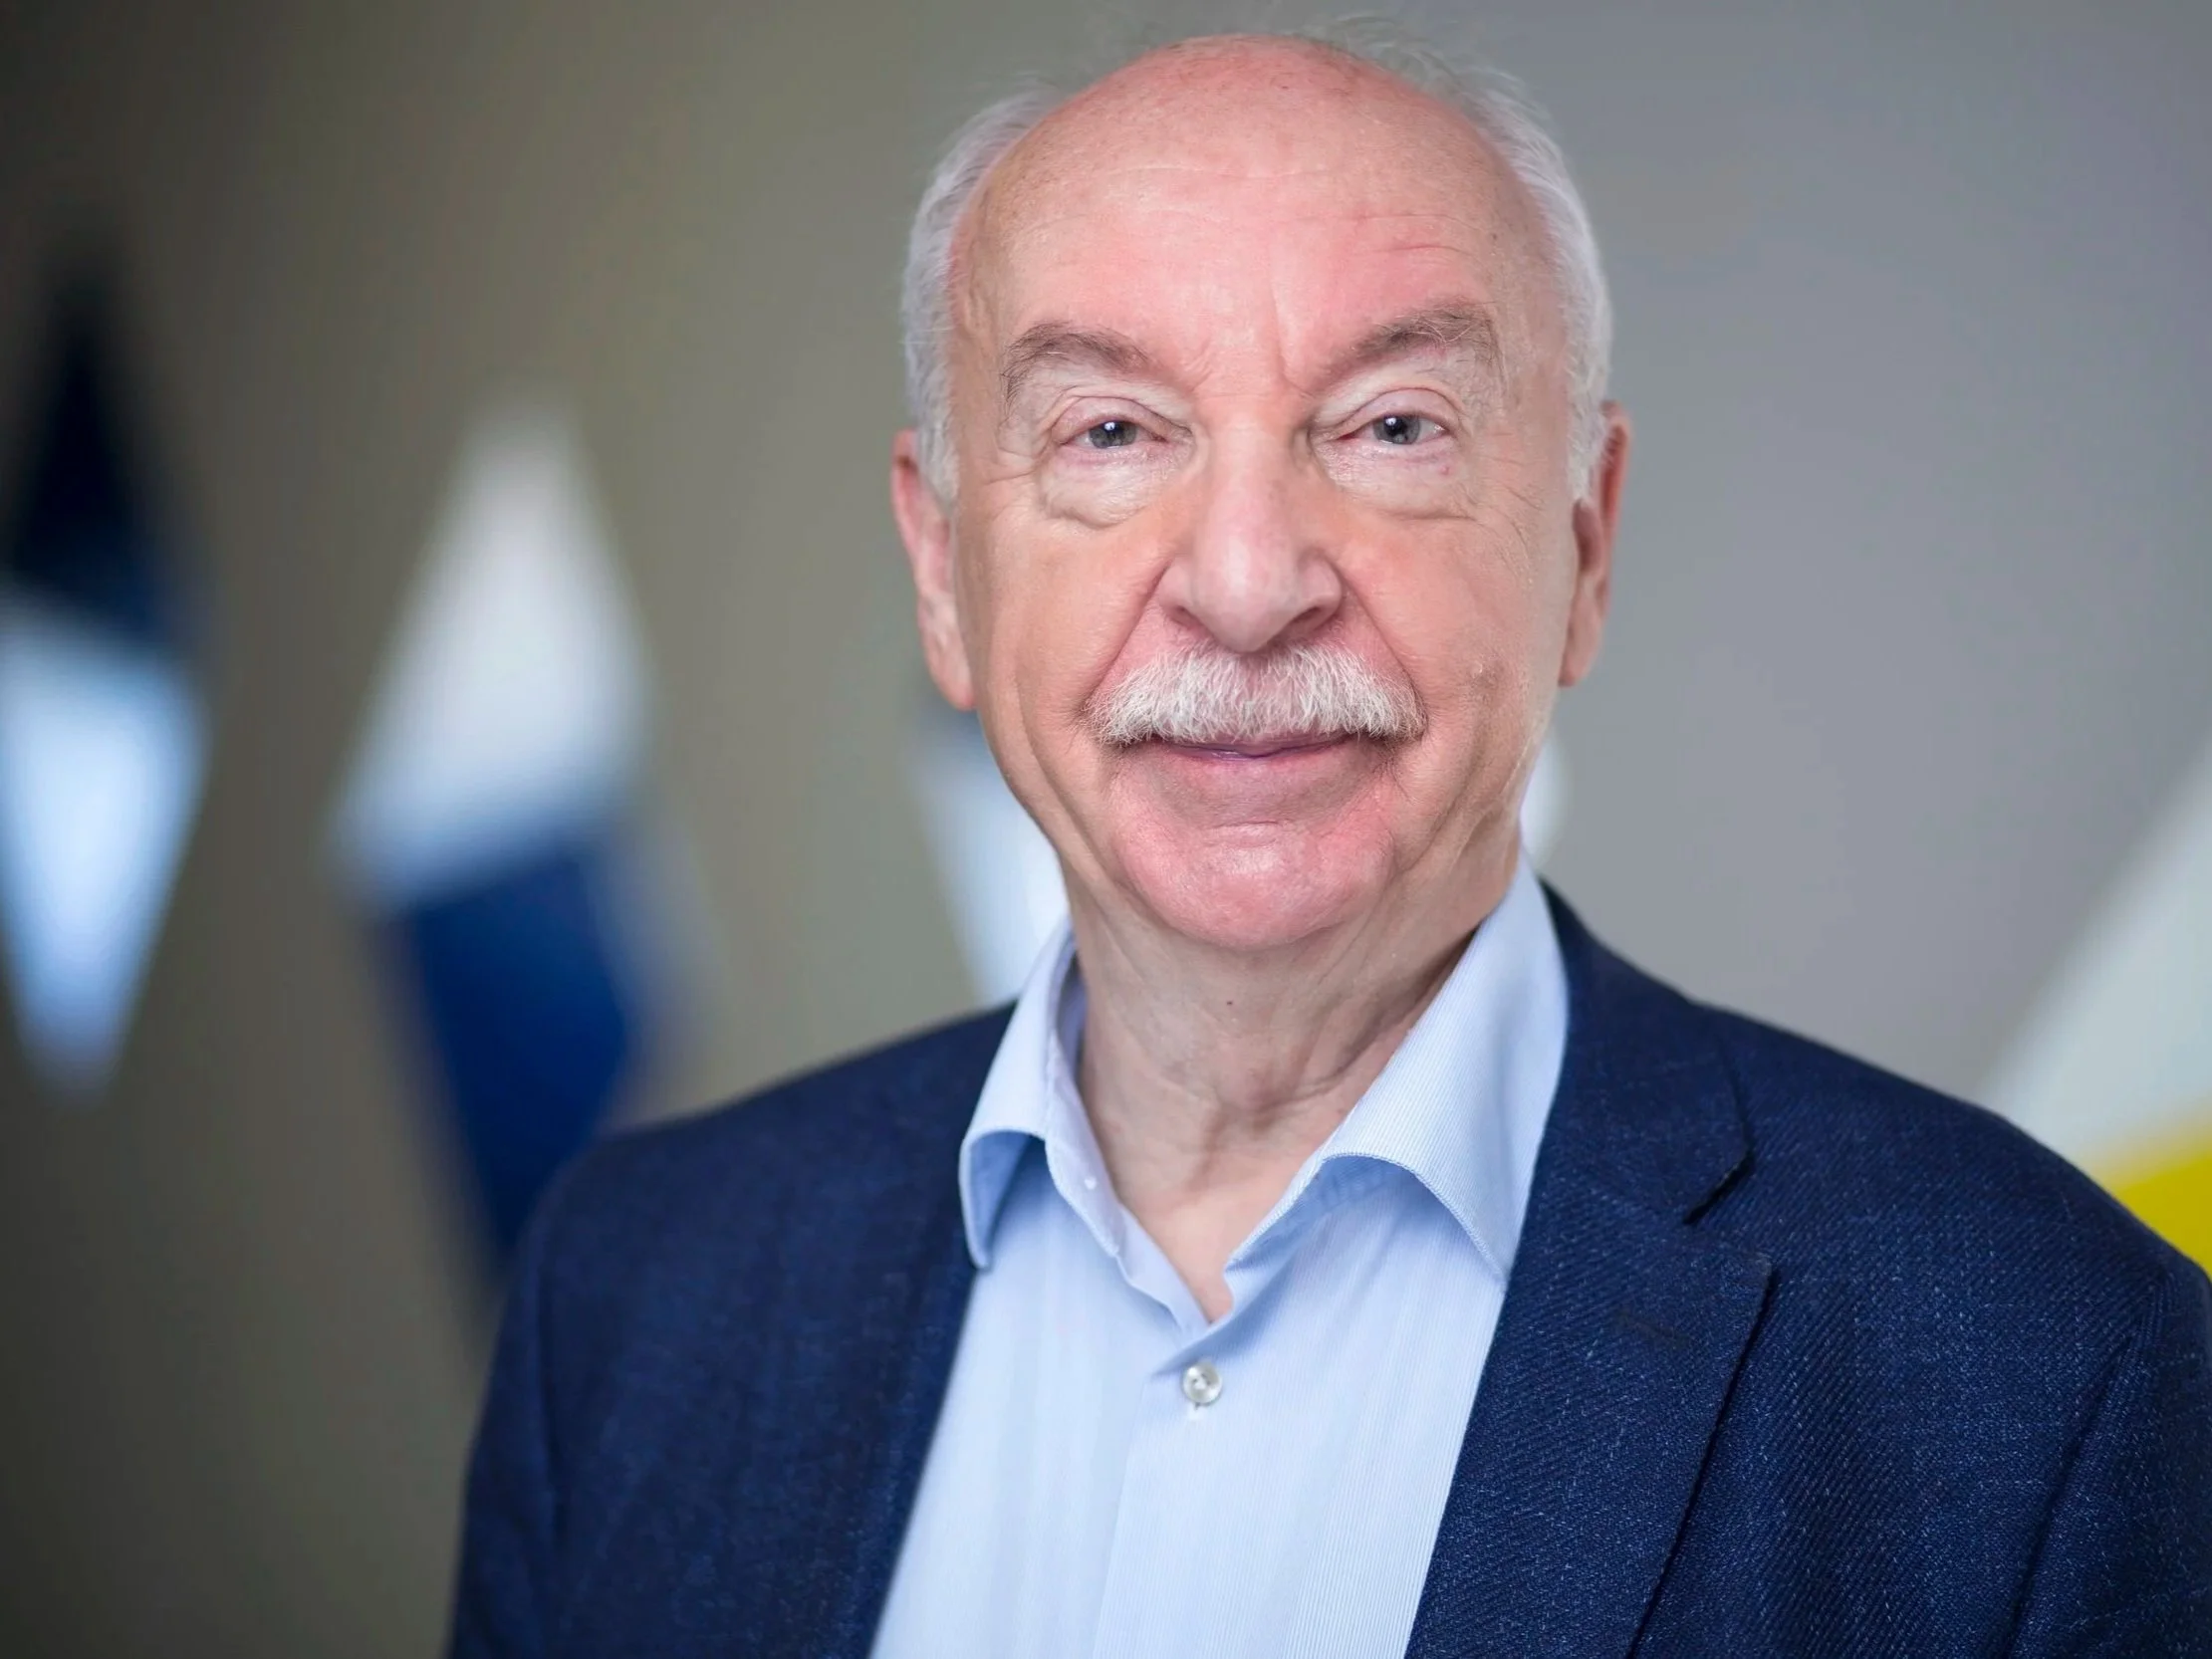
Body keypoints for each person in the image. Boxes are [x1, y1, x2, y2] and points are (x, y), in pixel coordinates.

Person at [448, 30, 2211, 1658]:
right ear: (940, 568)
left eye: (1388, 429)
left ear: (1584, 546)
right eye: (1113, 434)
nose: (1245, 581)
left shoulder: (2052, 1373)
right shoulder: (632, 1300)